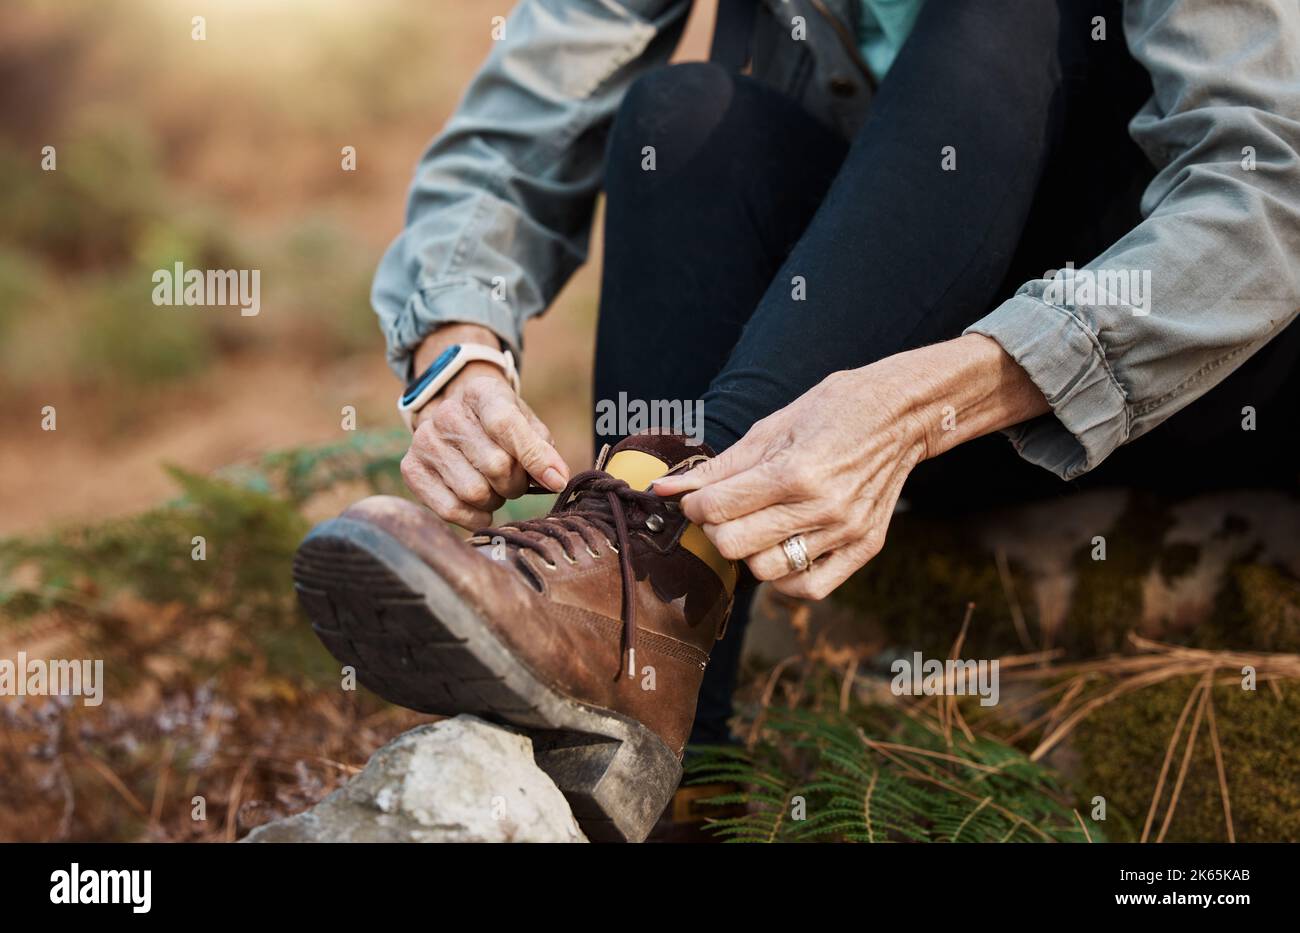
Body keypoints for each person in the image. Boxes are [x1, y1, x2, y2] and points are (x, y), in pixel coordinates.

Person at [294, 0, 1300, 841]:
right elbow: (521, 123)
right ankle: (668, 726)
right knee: (682, 119)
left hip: (1188, 377)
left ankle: (642, 563)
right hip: (861, 380)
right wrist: (456, 349)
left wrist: (927, 400)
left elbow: (1266, 192)